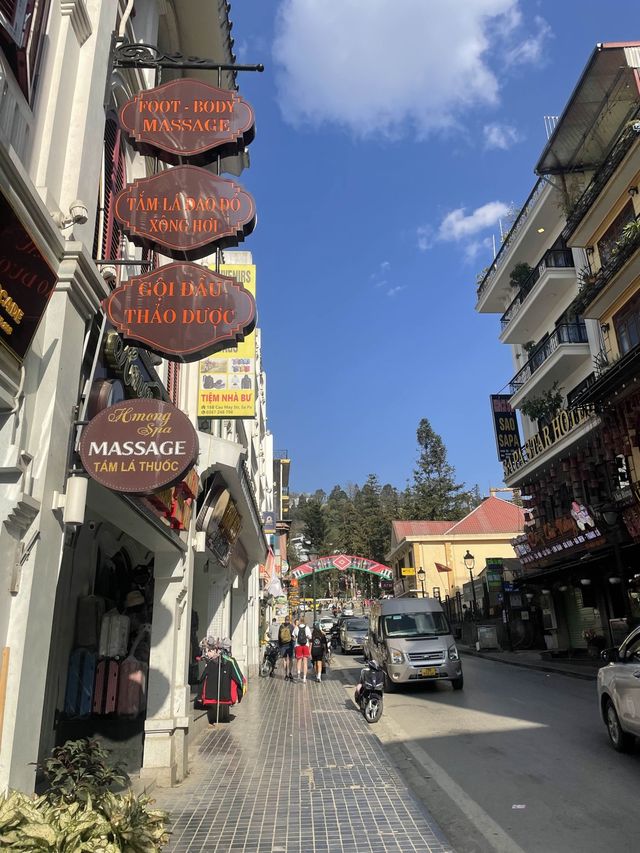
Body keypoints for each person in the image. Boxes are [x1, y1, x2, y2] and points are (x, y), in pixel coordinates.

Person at [278, 615, 294, 681]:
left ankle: (285, 674)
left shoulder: (281, 626)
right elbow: (293, 636)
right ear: (289, 620)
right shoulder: (291, 626)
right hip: (290, 645)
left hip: (283, 645)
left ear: (285, 620)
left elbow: (279, 636)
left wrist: (279, 645)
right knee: (290, 659)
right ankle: (290, 672)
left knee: (284, 660)